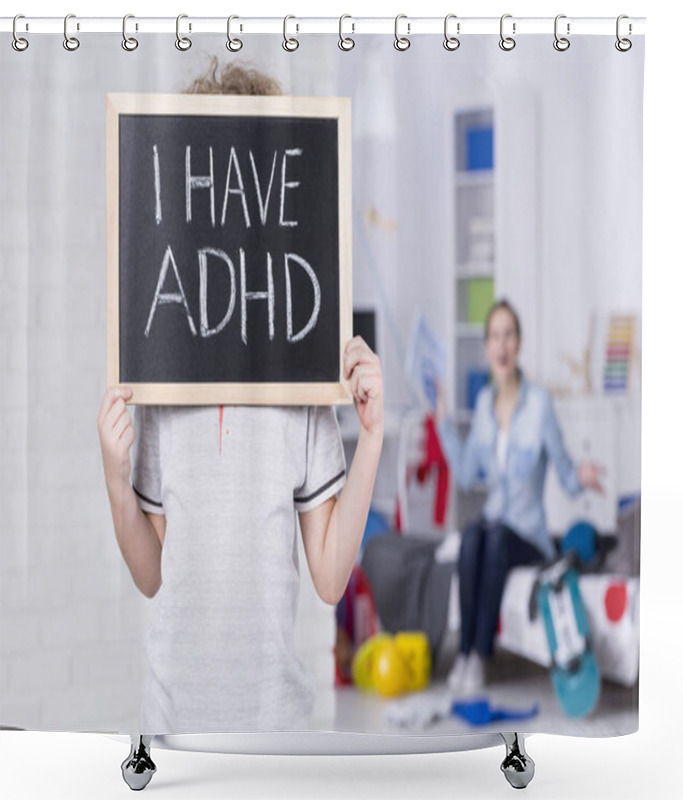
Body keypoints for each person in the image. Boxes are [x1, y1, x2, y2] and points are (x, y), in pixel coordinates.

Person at [97, 58, 383, 734]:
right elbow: (150, 573)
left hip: (276, 722)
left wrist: (370, 438)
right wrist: (115, 480)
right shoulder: (165, 373)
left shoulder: (302, 381)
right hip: (174, 720)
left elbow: (329, 577)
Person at [435, 299, 603, 696]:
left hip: (527, 536)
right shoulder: (482, 405)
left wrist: (581, 475)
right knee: (474, 533)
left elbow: (563, 471)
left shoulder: (540, 404)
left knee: (491, 537)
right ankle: (462, 656)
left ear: (519, 343)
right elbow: (464, 473)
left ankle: (480, 656)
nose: (502, 344)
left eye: (509, 334)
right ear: (488, 347)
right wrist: (442, 420)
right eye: (494, 336)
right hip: (494, 526)